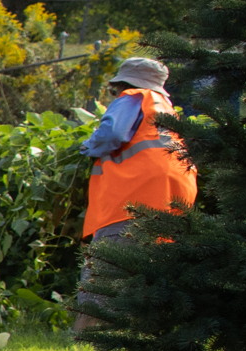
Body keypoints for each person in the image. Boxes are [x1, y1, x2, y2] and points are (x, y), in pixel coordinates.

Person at [72, 55, 196, 332]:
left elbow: (112, 133)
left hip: (136, 192)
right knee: (154, 265)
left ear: (122, 84)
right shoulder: (166, 109)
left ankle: (91, 331)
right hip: (177, 192)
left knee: (109, 262)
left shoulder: (132, 97)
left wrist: (87, 146)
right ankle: (150, 330)